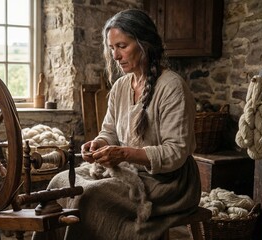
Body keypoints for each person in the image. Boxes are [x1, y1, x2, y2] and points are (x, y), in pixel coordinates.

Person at [43, 9, 201, 240]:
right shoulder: (120, 87)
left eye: (122, 46)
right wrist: (99, 144)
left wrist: (124, 154)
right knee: (61, 182)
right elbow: (110, 131)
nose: (115, 56)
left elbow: (176, 152)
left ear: (144, 44)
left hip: (169, 182)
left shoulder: (172, 88)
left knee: (90, 195)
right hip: (128, 173)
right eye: (111, 48)